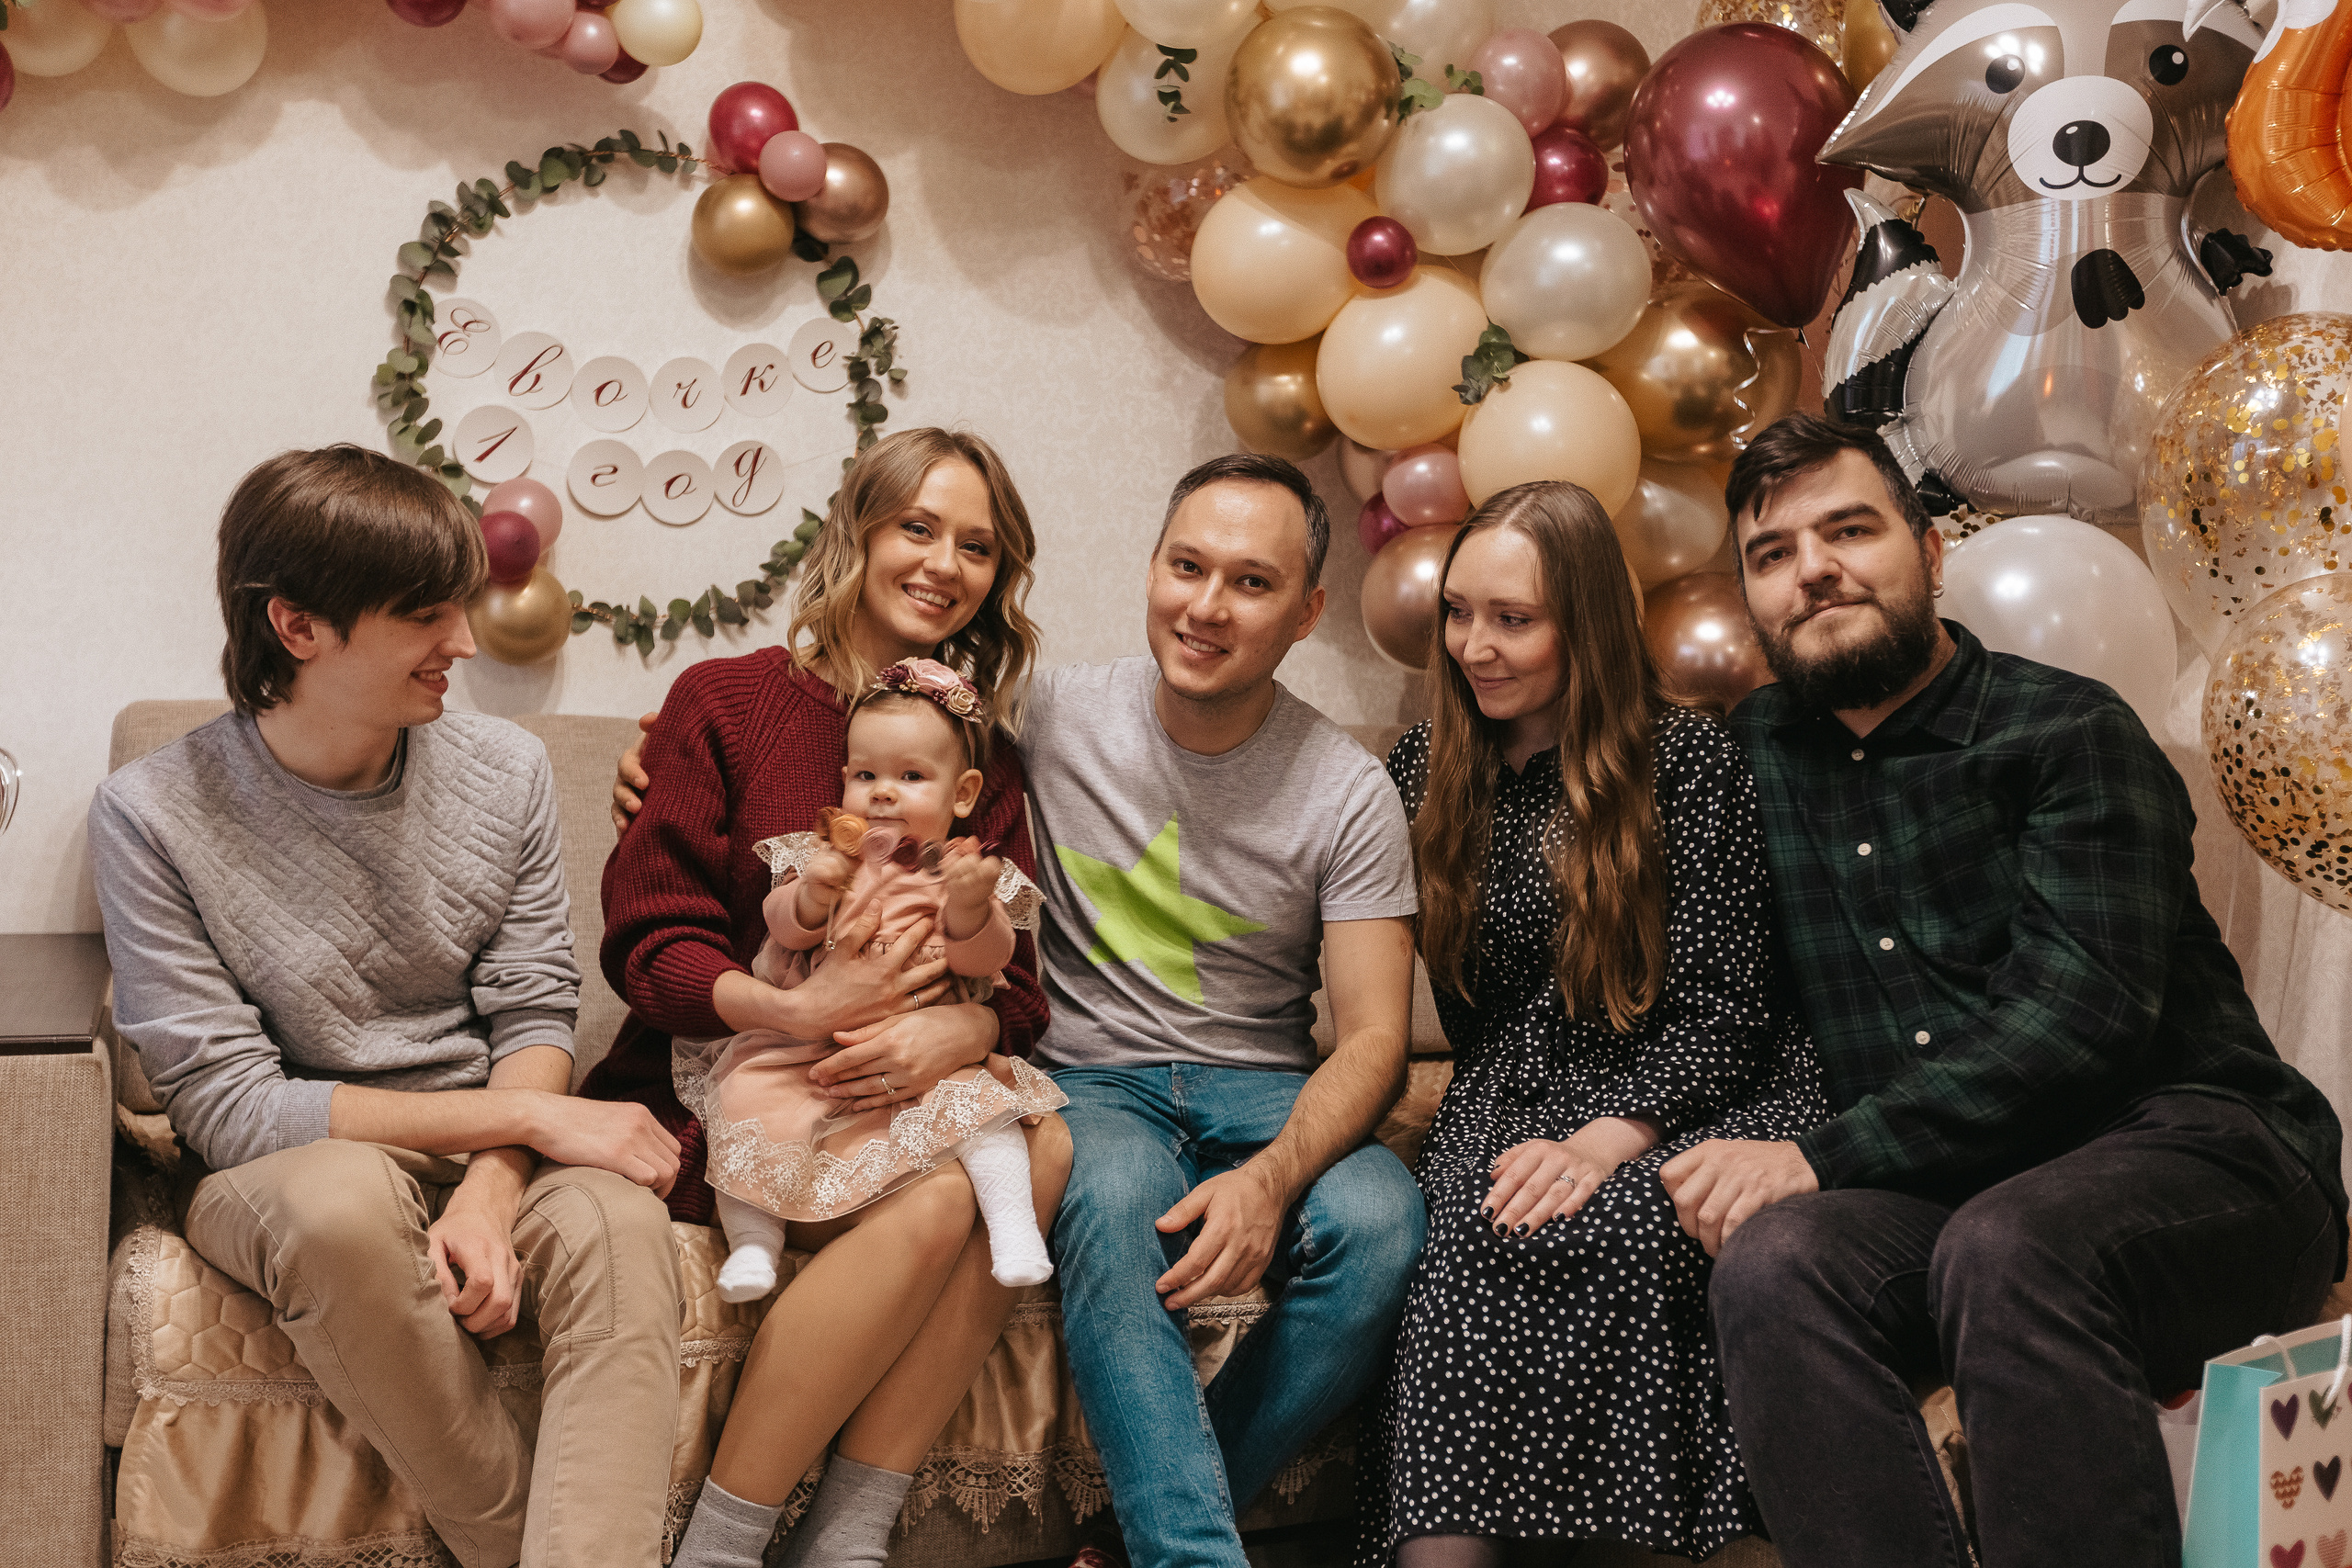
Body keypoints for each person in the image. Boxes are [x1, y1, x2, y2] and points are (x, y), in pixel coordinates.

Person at [614, 451, 1430, 1568]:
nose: (1204, 605)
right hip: (947, 1088)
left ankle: (1072, 1527)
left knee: (1348, 1217)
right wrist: (654, 777)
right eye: (1185, 566)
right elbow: (676, 916)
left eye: (1250, 581)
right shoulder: (953, 714)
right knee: (1052, 1192)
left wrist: (984, 1026)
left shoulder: (1317, 784)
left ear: (1306, 611)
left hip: (1208, 1085)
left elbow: (1365, 1034)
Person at [1659, 412, 2347, 1567]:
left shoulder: (2066, 732)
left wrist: (1820, 1154)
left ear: (1930, 555)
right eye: (1771, 554)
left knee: (2009, 1244)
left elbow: (2075, 1023)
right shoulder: (1750, 758)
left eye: (1848, 530)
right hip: (1950, 1190)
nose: (1811, 570)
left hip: (2197, 1154)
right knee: (1775, 1264)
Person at [88, 446, 684, 1568]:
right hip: (291, 1167)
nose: (463, 642)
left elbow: (533, 1011)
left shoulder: (502, 770)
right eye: (424, 615)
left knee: (621, 1226)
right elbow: (229, 1109)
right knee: (340, 1210)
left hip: (492, 1137)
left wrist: (502, 1186)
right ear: (298, 628)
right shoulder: (152, 814)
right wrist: (539, 1125)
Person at [591, 426, 1072, 1568]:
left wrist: (959, 1025)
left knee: (1042, 1153)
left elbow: (1011, 982)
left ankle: (845, 1534)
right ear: (854, 532)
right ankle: (731, 1541)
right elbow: (649, 953)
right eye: (917, 528)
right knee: (958, 1195)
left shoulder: (978, 762)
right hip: (744, 1083)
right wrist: (802, 1012)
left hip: (890, 1088)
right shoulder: (724, 702)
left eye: (977, 547)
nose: (945, 565)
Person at [1357, 481, 1826, 1567]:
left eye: (1513, 620)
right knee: (1473, 1238)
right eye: (1459, 612)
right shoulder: (1424, 767)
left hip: (1686, 1085)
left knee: (1611, 1229)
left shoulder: (1689, 764)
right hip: (1506, 1090)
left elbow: (1728, 1013)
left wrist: (1602, 1141)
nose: (1476, 645)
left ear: (1588, 623)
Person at [684, 657, 1064, 1304]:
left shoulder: (958, 873)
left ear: (963, 793)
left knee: (987, 1116)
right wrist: (812, 895)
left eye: (911, 776)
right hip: (804, 1054)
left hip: (928, 1056)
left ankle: (1016, 1231)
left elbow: (989, 961)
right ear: (843, 784)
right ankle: (753, 1244)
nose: (883, 792)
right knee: (748, 1100)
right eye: (866, 775)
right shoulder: (823, 858)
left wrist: (973, 908)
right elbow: (782, 927)